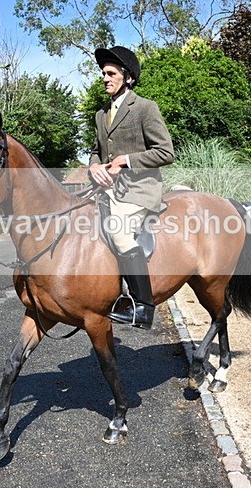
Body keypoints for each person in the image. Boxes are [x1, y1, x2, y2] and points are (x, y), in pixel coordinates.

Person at [89, 46, 175, 329]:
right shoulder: (101, 114)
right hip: (107, 189)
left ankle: (144, 307)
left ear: (127, 77)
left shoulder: (145, 107)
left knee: (120, 232)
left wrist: (126, 160)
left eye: (111, 73)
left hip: (139, 190)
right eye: (103, 73)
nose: (105, 78)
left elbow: (165, 152)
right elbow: (96, 151)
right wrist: (94, 167)